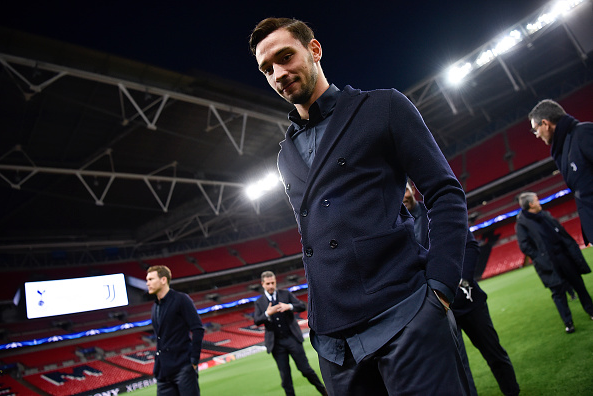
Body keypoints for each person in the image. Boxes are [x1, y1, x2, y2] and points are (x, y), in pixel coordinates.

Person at [249, 18, 470, 395]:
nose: (278, 73)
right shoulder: (285, 156)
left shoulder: (383, 106)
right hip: (334, 341)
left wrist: (441, 287)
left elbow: (444, 192)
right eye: (267, 69)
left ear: (314, 50)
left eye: (285, 57)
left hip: (405, 312)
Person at [404, 182, 520, 396]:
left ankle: (512, 392)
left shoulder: (435, 212)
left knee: (494, 353)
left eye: (405, 189)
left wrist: (463, 281)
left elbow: (471, 245)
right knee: (459, 369)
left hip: (469, 301)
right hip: (440, 309)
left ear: (412, 188)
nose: (403, 196)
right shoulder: (399, 228)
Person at [515, 192, 593, 333]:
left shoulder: (545, 215)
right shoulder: (522, 224)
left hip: (564, 257)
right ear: (531, 204)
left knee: (579, 285)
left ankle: (591, 311)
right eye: (537, 200)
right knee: (558, 293)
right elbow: (525, 246)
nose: (540, 202)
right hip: (549, 263)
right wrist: (541, 258)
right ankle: (568, 322)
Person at [528, 99, 593, 246]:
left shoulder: (583, 133)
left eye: (535, 129)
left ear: (545, 123)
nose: (537, 135)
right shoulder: (564, 149)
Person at [254, 271, 327, 396]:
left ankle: (325, 392)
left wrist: (289, 306)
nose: (271, 285)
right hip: (276, 344)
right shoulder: (259, 302)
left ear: (276, 282)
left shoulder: (286, 294)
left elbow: (302, 306)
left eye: (273, 282)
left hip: (292, 338)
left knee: (306, 370)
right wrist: (267, 313)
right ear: (263, 284)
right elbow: (256, 320)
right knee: (285, 377)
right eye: (268, 283)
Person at [146, 265, 204, 395]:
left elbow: (197, 329)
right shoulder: (155, 307)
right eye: (147, 280)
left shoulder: (181, 299)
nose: (147, 283)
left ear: (163, 280)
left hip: (183, 367)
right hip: (163, 372)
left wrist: (194, 360)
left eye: (151, 279)